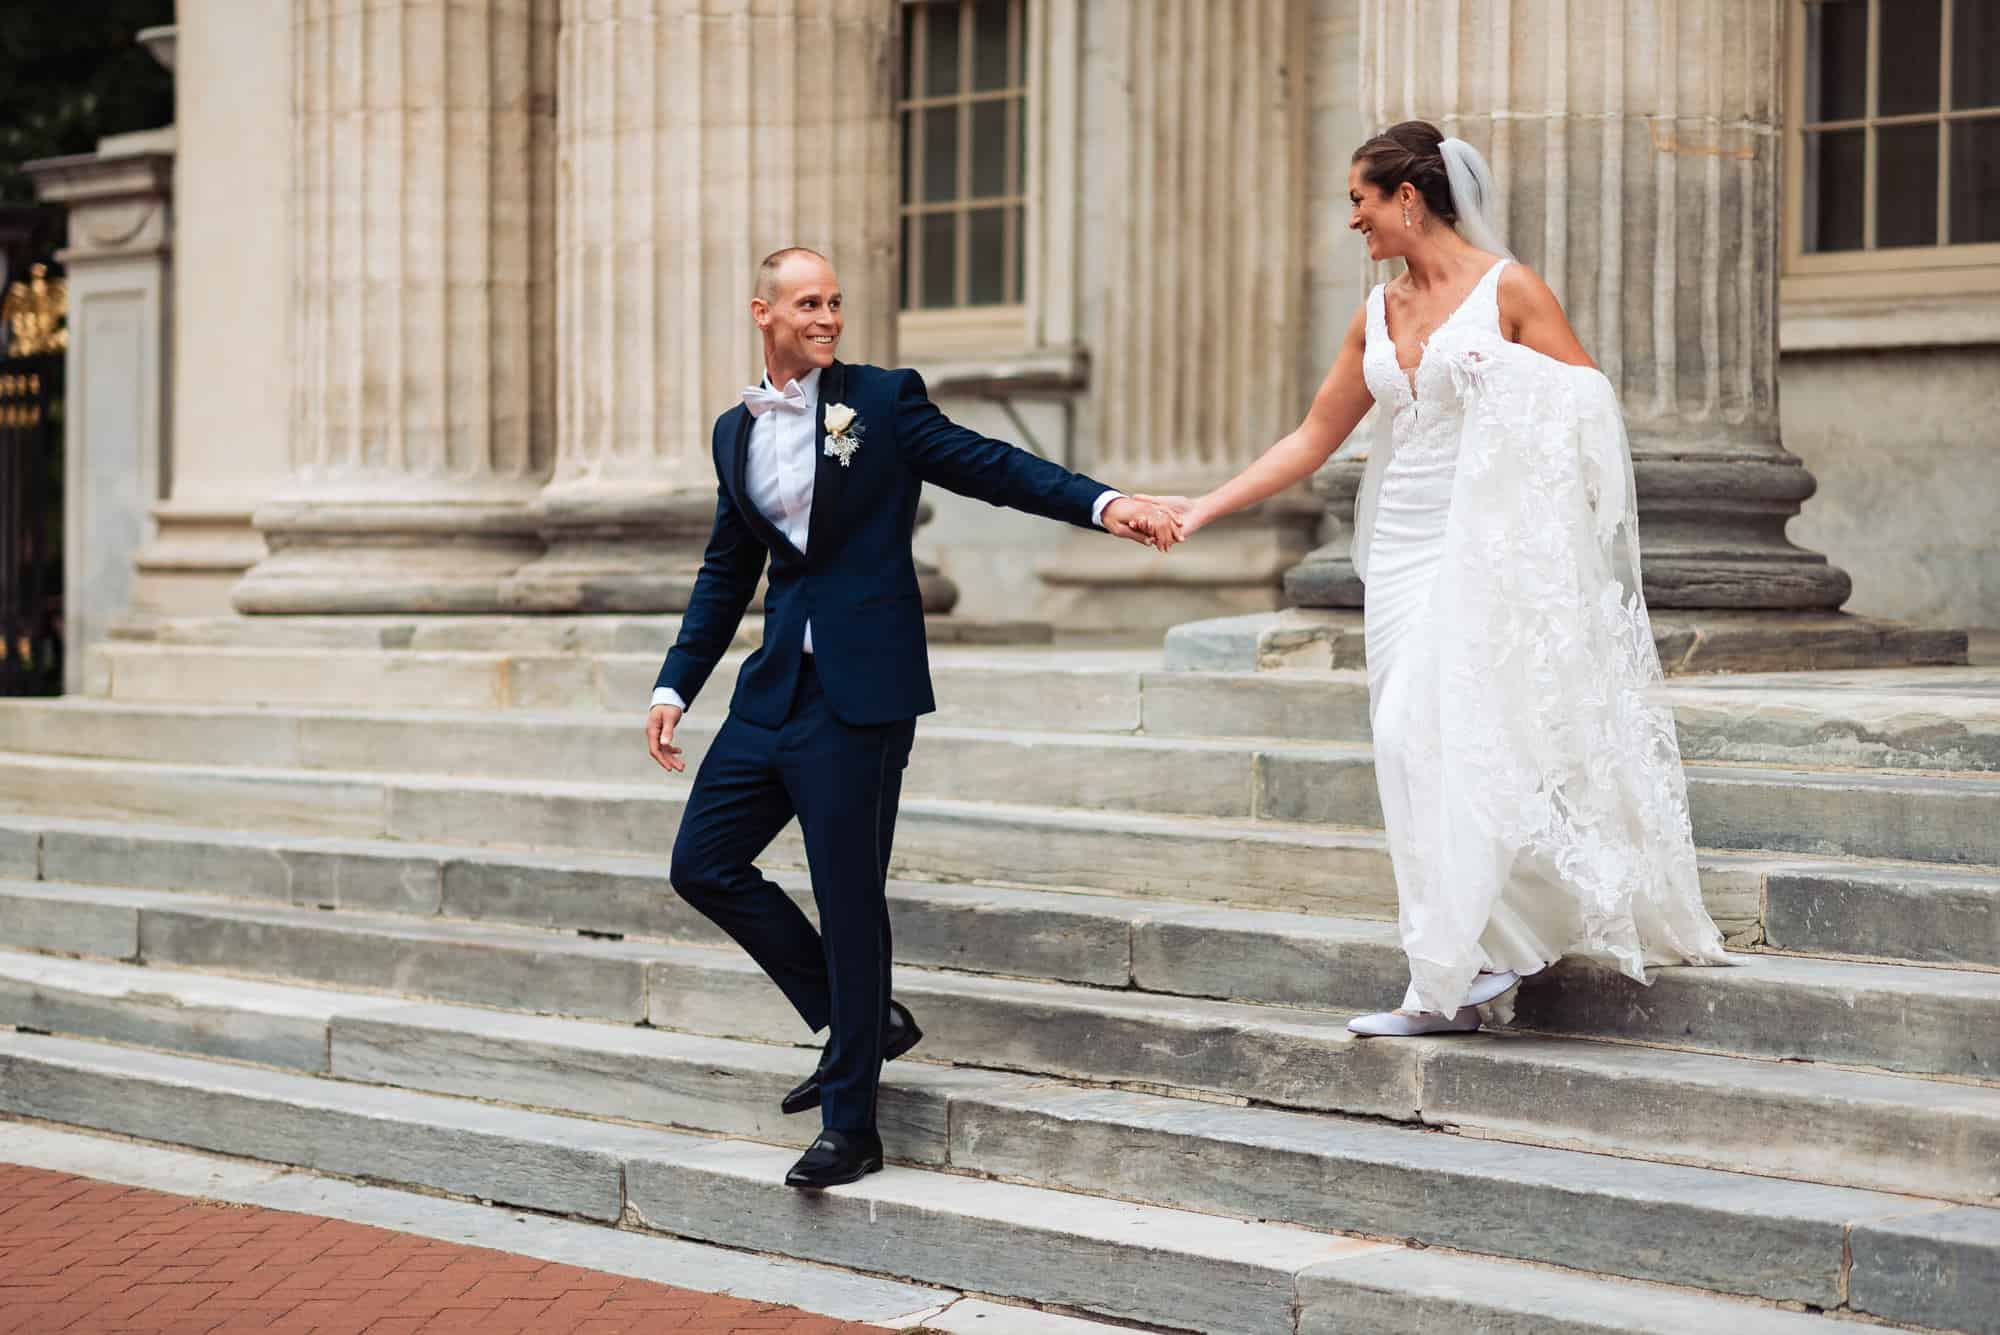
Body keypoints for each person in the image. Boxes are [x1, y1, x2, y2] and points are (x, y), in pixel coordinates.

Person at [1144, 122, 1730, 1036]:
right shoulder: (1376, 312)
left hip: (1484, 541)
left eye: (1360, 201)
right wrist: (1202, 505)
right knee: (1401, 741)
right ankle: (1473, 956)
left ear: (1408, 198)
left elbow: (1590, 408)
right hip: (1404, 547)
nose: (1354, 220)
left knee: (1438, 734)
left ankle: (1449, 977)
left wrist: (1503, 381)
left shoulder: (1512, 291)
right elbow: (1312, 437)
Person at [646, 247, 1173, 1188]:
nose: (829, 317)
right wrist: (674, 685)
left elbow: (990, 466)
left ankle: (853, 1126)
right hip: (772, 692)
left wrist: (1105, 502)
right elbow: (729, 568)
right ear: (762, 312)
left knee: (849, 901)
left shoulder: (881, 402)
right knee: (703, 863)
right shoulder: (734, 430)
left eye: (837, 302)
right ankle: (862, 1021)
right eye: (809, 302)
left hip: (863, 695)